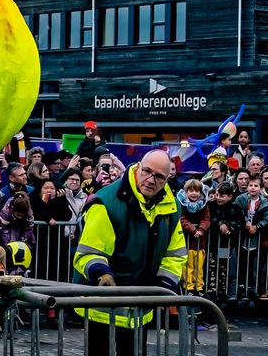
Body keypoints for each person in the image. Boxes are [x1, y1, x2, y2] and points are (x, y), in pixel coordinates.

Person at [73, 150, 185, 356]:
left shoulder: (172, 207)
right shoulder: (106, 201)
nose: (150, 180)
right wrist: (101, 273)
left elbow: (175, 254)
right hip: (102, 305)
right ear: (138, 166)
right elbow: (90, 250)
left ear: (168, 178)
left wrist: (164, 286)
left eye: (159, 176)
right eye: (147, 171)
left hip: (141, 303)